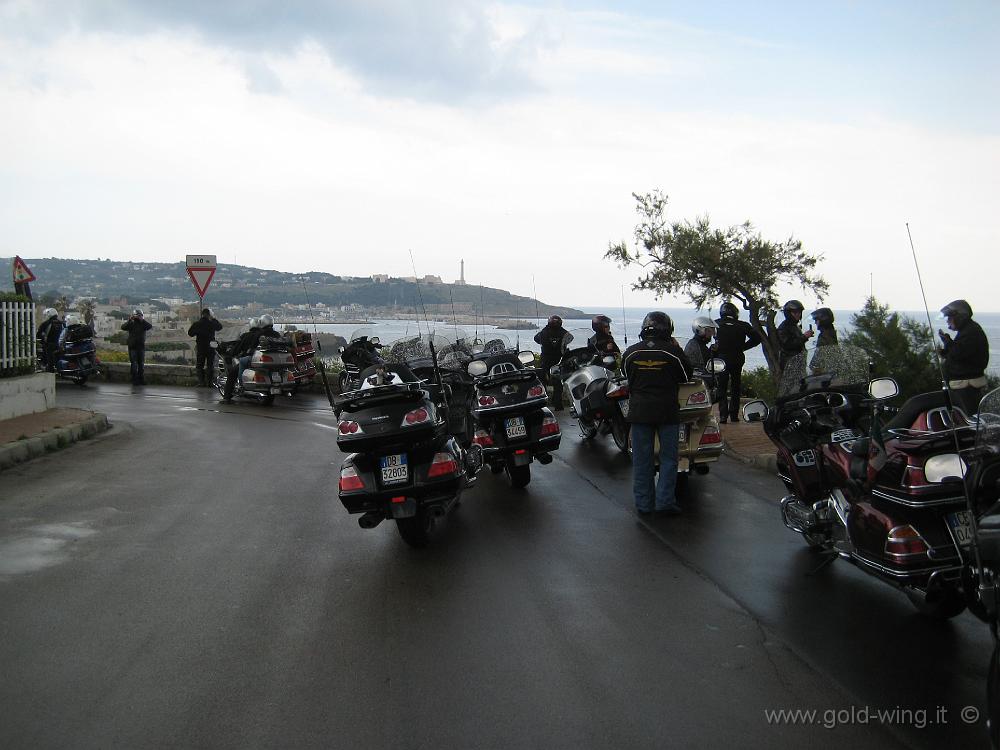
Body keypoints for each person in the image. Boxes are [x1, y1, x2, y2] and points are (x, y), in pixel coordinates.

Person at [622, 311, 692, 517]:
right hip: (667, 412)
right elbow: (687, 375)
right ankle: (665, 503)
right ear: (667, 330)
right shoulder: (672, 352)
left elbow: (626, 375)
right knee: (669, 459)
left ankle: (644, 505)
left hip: (640, 412)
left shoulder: (631, 353)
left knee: (641, 459)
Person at [938, 299, 990, 416]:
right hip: (963, 386)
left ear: (960, 317)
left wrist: (948, 342)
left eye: (950, 318)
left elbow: (959, 352)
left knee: (970, 420)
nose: (948, 321)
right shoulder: (967, 331)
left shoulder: (972, 332)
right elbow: (961, 354)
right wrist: (946, 351)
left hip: (967, 387)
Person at [714, 301, 762, 423]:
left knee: (722, 387)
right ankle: (734, 415)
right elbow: (757, 339)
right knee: (736, 386)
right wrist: (743, 347)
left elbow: (709, 338)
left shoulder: (716, 324)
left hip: (722, 359)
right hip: (737, 358)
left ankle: (723, 416)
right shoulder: (743, 325)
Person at [533, 315, 573, 411]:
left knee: (543, 382)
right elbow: (571, 338)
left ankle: (543, 404)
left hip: (545, 360)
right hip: (558, 360)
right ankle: (558, 404)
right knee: (558, 383)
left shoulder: (544, 332)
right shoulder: (563, 332)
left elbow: (536, 338)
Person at [188, 308, 224, 387]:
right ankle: (210, 383)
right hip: (211, 346)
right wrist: (214, 319)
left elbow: (190, 333)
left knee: (200, 364)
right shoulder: (212, 323)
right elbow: (220, 327)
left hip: (201, 346)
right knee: (210, 365)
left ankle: (201, 382)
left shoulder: (197, 324)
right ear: (209, 315)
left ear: (202, 314)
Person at [776, 299, 813, 372]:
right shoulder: (784, 327)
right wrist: (804, 337)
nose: (798, 314)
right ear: (788, 313)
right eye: (794, 312)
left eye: (799, 312)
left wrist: (805, 336)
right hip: (790, 365)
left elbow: (797, 342)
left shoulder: (794, 326)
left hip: (798, 363)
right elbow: (788, 345)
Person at [121, 308, 152, 385]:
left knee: (141, 363)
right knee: (134, 363)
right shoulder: (131, 323)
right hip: (133, 346)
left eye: (140, 315)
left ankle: (141, 379)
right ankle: (134, 379)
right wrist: (129, 320)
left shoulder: (143, 324)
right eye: (137, 316)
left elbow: (149, 326)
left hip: (140, 346)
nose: (138, 317)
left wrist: (142, 320)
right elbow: (123, 327)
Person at [35, 307, 63, 372]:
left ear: (49, 315)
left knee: (48, 359)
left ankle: (48, 368)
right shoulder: (61, 323)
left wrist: (42, 338)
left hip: (49, 345)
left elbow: (38, 334)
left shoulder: (46, 323)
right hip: (59, 345)